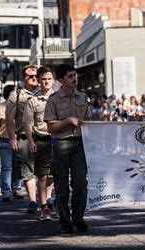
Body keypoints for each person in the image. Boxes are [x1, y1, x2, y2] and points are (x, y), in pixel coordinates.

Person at [44, 64, 92, 234]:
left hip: (79, 144)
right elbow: (51, 128)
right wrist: (67, 121)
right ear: (61, 80)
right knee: (61, 184)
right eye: (70, 76)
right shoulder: (53, 100)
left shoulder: (83, 97)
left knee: (80, 182)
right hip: (61, 144)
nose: (74, 78)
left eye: (75, 75)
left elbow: (89, 122)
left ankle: (78, 217)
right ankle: (65, 222)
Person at [5, 64, 40, 213]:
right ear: (24, 78)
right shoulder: (16, 95)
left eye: (35, 76)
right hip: (24, 137)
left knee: (48, 171)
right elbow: (9, 118)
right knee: (27, 171)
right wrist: (13, 138)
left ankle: (47, 197)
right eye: (30, 76)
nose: (34, 78)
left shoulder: (45, 92)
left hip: (44, 136)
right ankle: (33, 201)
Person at [23, 66, 55, 221]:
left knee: (54, 174)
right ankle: (44, 208)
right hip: (41, 140)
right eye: (43, 79)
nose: (46, 81)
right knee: (42, 175)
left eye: (49, 79)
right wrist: (30, 142)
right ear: (39, 81)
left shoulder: (59, 98)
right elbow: (28, 123)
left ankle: (49, 198)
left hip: (58, 140)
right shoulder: (33, 101)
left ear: (54, 80)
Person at [0, 84, 24, 202]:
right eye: (13, 92)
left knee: (18, 166)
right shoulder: (0, 107)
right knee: (7, 166)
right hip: (4, 140)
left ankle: (17, 188)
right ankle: (6, 191)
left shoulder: (21, 106)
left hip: (19, 139)